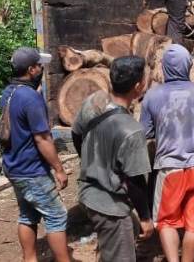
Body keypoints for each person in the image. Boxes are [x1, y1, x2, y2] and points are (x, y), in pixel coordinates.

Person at [140, 44, 194, 262]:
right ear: (188, 67)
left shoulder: (152, 95)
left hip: (169, 168)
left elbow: (144, 131)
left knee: (166, 222)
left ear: (165, 68)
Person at [72, 56, 154, 261]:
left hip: (87, 193)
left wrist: (91, 161)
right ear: (138, 86)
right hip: (110, 205)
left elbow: (76, 133)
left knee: (121, 239)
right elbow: (136, 182)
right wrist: (145, 217)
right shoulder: (132, 131)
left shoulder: (94, 100)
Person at [0, 47, 70, 262]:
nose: (41, 68)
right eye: (39, 65)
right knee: (57, 215)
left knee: (27, 214)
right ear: (31, 69)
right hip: (32, 170)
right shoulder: (30, 98)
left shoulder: (9, 92)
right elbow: (42, 138)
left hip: (15, 166)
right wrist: (59, 169)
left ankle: (29, 259)